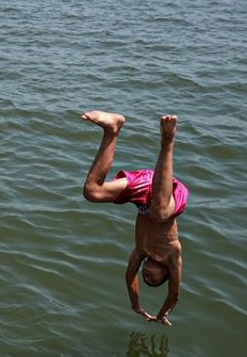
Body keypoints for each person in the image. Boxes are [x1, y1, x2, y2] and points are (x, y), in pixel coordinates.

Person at [80, 111, 187, 326]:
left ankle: (112, 130)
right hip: (170, 194)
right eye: (154, 279)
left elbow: (130, 277)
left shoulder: (140, 252)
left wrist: (135, 305)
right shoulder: (172, 256)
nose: (147, 276)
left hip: (147, 190)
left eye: (145, 278)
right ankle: (168, 140)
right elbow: (174, 294)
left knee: (92, 192)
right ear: (165, 273)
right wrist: (162, 314)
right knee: (160, 213)